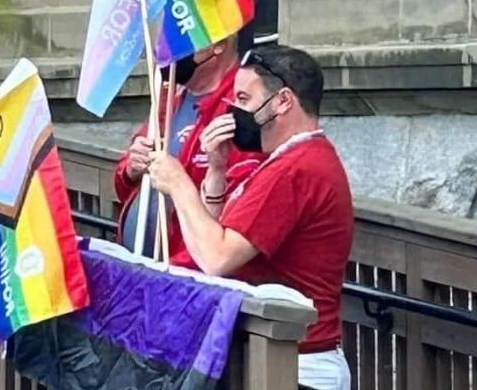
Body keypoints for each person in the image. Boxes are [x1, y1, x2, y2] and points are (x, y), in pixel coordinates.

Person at [147, 45, 354, 390]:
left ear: (283, 101)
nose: (233, 110)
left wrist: (179, 183)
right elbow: (211, 239)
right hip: (274, 356)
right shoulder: (285, 160)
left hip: (293, 366)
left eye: (243, 99)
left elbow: (216, 258)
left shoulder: (296, 169)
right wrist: (216, 171)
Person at [115, 35, 264, 263]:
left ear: (217, 46)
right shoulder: (169, 97)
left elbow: (235, 212)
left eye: (185, 37)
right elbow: (123, 184)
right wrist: (131, 169)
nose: (170, 47)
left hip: (181, 272)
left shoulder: (238, 108)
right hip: (140, 266)